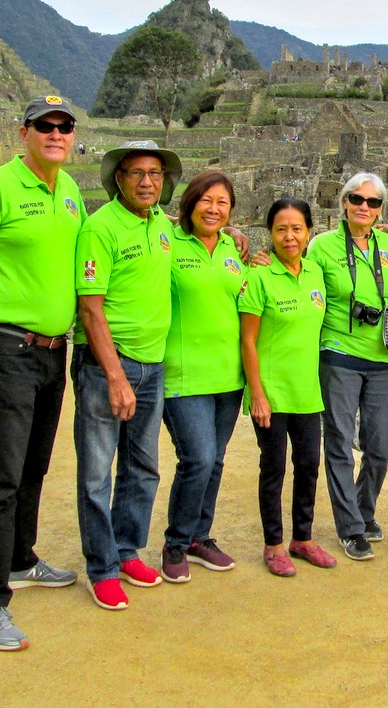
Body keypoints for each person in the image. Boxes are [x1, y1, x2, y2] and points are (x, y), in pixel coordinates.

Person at [0, 95, 87, 652]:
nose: (56, 133)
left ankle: (20, 559)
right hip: (5, 346)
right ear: (24, 132)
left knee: (34, 464)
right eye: (45, 126)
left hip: (55, 350)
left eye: (65, 126)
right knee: (1, 475)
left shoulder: (70, 192)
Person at [72, 139, 179, 610]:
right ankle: (102, 567)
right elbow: (91, 309)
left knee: (143, 466)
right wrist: (114, 375)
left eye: (154, 173)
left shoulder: (161, 226)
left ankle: (127, 547)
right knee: (98, 472)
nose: (146, 181)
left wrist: (237, 240)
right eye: (136, 173)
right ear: (118, 178)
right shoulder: (100, 228)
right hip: (106, 365)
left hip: (153, 364)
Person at [306, 172, 388, 561]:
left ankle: (364, 508)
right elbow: (301, 282)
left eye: (373, 202)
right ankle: (350, 527)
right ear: (344, 202)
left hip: (383, 357)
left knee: (379, 445)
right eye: (357, 200)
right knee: (341, 442)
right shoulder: (323, 246)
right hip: (339, 353)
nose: (365, 207)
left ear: (381, 209)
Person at [240, 198, 335, 576]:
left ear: (309, 231)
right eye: (281, 229)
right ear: (270, 234)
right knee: (274, 468)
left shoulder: (315, 273)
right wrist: (258, 395)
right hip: (272, 394)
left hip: (307, 392)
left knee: (309, 464)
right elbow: (247, 341)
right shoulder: (259, 277)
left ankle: (303, 538)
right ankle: (273, 543)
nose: (289, 236)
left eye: (297, 228)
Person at [159, 171, 246, 582]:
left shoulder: (233, 249)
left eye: (222, 203)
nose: (213, 209)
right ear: (190, 203)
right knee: (197, 458)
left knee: (215, 461)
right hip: (184, 374)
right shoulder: (167, 242)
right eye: (206, 200)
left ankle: (200, 536)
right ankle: (176, 541)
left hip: (229, 376)